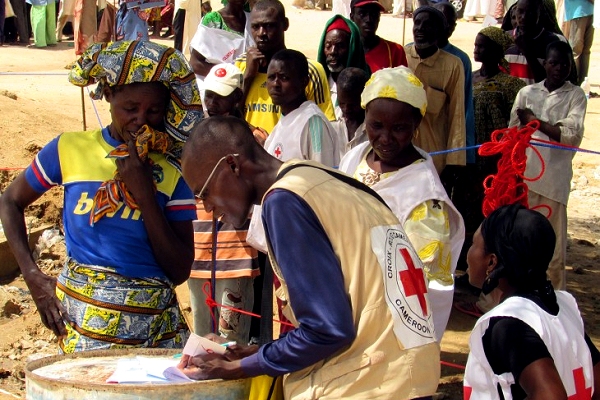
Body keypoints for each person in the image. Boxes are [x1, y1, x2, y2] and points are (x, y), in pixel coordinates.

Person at [178, 115, 440, 399]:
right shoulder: (321, 178)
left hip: (368, 383)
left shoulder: (284, 201)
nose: (207, 208)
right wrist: (258, 352)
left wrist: (242, 367)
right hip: (410, 374)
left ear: (232, 165)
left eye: (204, 193)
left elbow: (327, 331)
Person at [0, 40, 204, 353]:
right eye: (130, 109)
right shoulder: (69, 149)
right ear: (108, 96)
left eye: (154, 111)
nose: (141, 120)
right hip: (82, 328)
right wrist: (32, 276)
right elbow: (9, 202)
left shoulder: (173, 170)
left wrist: (145, 195)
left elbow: (178, 271)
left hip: (152, 334)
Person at [339, 66, 464, 341]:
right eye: (376, 126)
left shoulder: (423, 198)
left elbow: (424, 284)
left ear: (416, 124)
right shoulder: (356, 157)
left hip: (382, 321)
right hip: (341, 301)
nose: (384, 138)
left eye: (399, 128)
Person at [463, 203, 600, 399]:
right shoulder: (563, 305)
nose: (469, 254)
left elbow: (550, 395)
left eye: (474, 245)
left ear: (492, 262)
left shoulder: (506, 325)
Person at [454, 26, 526, 318]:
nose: (477, 50)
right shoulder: (469, 79)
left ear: (498, 51)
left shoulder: (511, 85)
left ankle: (491, 282)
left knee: (492, 219)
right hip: (470, 158)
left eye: (483, 46)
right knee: (466, 213)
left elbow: (515, 126)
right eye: (476, 45)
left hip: (498, 163)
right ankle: (470, 274)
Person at [188, 62, 259, 345]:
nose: (212, 103)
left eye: (220, 96)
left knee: (231, 341)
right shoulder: (194, 139)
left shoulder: (253, 140)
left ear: (237, 98)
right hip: (199, 249)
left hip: (236, 254)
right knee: (200, 336)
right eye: (209, 96)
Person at [508, 40, 586, 291]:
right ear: (544, 64)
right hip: (524, 180)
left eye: (565, 63)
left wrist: (534, 121)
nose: (560, 68)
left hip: (554, 183)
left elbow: (571, 136)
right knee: (519, 245)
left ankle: (556, 306)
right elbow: (511, 135)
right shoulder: (527, 93)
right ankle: (517, 298)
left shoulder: (576, 96)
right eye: (554, 63)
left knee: (553, 253)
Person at [235, 0, 335, 134]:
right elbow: (230, 116)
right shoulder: (240, 65)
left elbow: (325, 126)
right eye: (255, 27)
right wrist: (248, 76)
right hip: (249, 153)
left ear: (285, 24)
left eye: (269, 26)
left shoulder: (309, 69)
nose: (261, 33)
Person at [404, 6, 466, 176]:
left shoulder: (453, 65)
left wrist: (454, 161)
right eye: (417, 23)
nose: (420, 28)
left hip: (433, 157)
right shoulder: (402, 56)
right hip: (399, 154)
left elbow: (457, 115)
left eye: (428, 24)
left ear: (440, 32)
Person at [264, 49, 340, 167]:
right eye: (271, 77)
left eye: (284, 77)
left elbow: (322, 176)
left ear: (304, 81)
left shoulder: (313, 122)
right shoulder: (285, 118)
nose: (275, 84)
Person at [504, 0, 577, 85]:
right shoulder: (503, 38)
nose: (523, 17)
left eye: (530, 12)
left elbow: (554, 82)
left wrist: (527, 53)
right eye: (520, 11)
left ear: (539, 13)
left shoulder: (555, 42)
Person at [317, 14, 369, 119]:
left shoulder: (367, 84)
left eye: (340, 46)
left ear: (352, 49)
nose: (333, 52)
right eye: (328, 46)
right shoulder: (318, 84)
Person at [350, 0, 408, 73]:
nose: (369, 20)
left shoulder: (394, 51)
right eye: (362, 14)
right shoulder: (343, 50)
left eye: (374, 14)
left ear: (379, 17)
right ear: (352, 17)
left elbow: (403, 82)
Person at [331, 67, 370, 157]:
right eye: (342, 103)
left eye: (353, 105)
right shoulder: (331, 121)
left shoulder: (375, 126)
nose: (346, 109)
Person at [562, 0, 594, 85]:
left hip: (592, 10)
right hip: (578, 11)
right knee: (576, 50)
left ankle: (583, 84)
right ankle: (574, 83)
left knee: (586, 50)